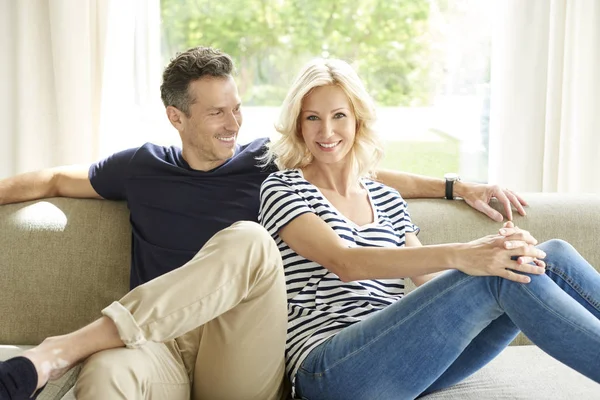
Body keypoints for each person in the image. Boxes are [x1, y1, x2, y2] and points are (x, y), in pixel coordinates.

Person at [0, 47, 528, 400]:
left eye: (236, 108)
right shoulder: (140, 167)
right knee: (104, 376)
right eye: (216, 114)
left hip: (241, 343)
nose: (234, 124)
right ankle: (70, 358)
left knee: (249, 240)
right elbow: (49, 181)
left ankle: (62, 348)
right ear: (176, 117)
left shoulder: (266, 162)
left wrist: (458, 188)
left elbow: (355, 167)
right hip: (157, 343)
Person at [258, 58, 600, 400]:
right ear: (298, 125)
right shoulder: (283, 188)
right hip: (330, 368)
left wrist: (495, 251)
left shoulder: (386, 198)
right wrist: (466, 255)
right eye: (312, 118)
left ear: (358, 120)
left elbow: (427, 283)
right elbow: (345, 262)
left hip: (407, 359)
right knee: (503, 272)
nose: (327, 132)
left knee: (546, 255)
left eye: (339, 116)